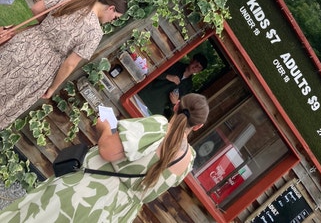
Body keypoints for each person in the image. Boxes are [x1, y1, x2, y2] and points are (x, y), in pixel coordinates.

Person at [0, 93, 209, 223]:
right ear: (198, 126)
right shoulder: (187, 161)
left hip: (89, 192)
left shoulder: (158, 126)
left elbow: (108, 151)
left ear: (176, 105)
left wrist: (105, 128)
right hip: (115, 213)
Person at [0, 0, 127, 130]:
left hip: (24, 43)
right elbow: (70, 64)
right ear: (111, 8)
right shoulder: (95, 33)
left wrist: (47, 30)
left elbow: (36, 8)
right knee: (8, 99)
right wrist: (52, 88)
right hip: (41, 66)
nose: (112, 21)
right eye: (115, 17)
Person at [138, 53, 208, 116]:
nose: (196, 67)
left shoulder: (189, 86)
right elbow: (151, 72)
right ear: (191, 60)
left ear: (199, 71)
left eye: (199, 67)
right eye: (196, 63)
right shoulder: (175, 64)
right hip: (143, 96)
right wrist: (167, 76)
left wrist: (174, 102)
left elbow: (176, 106)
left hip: (154, 110)